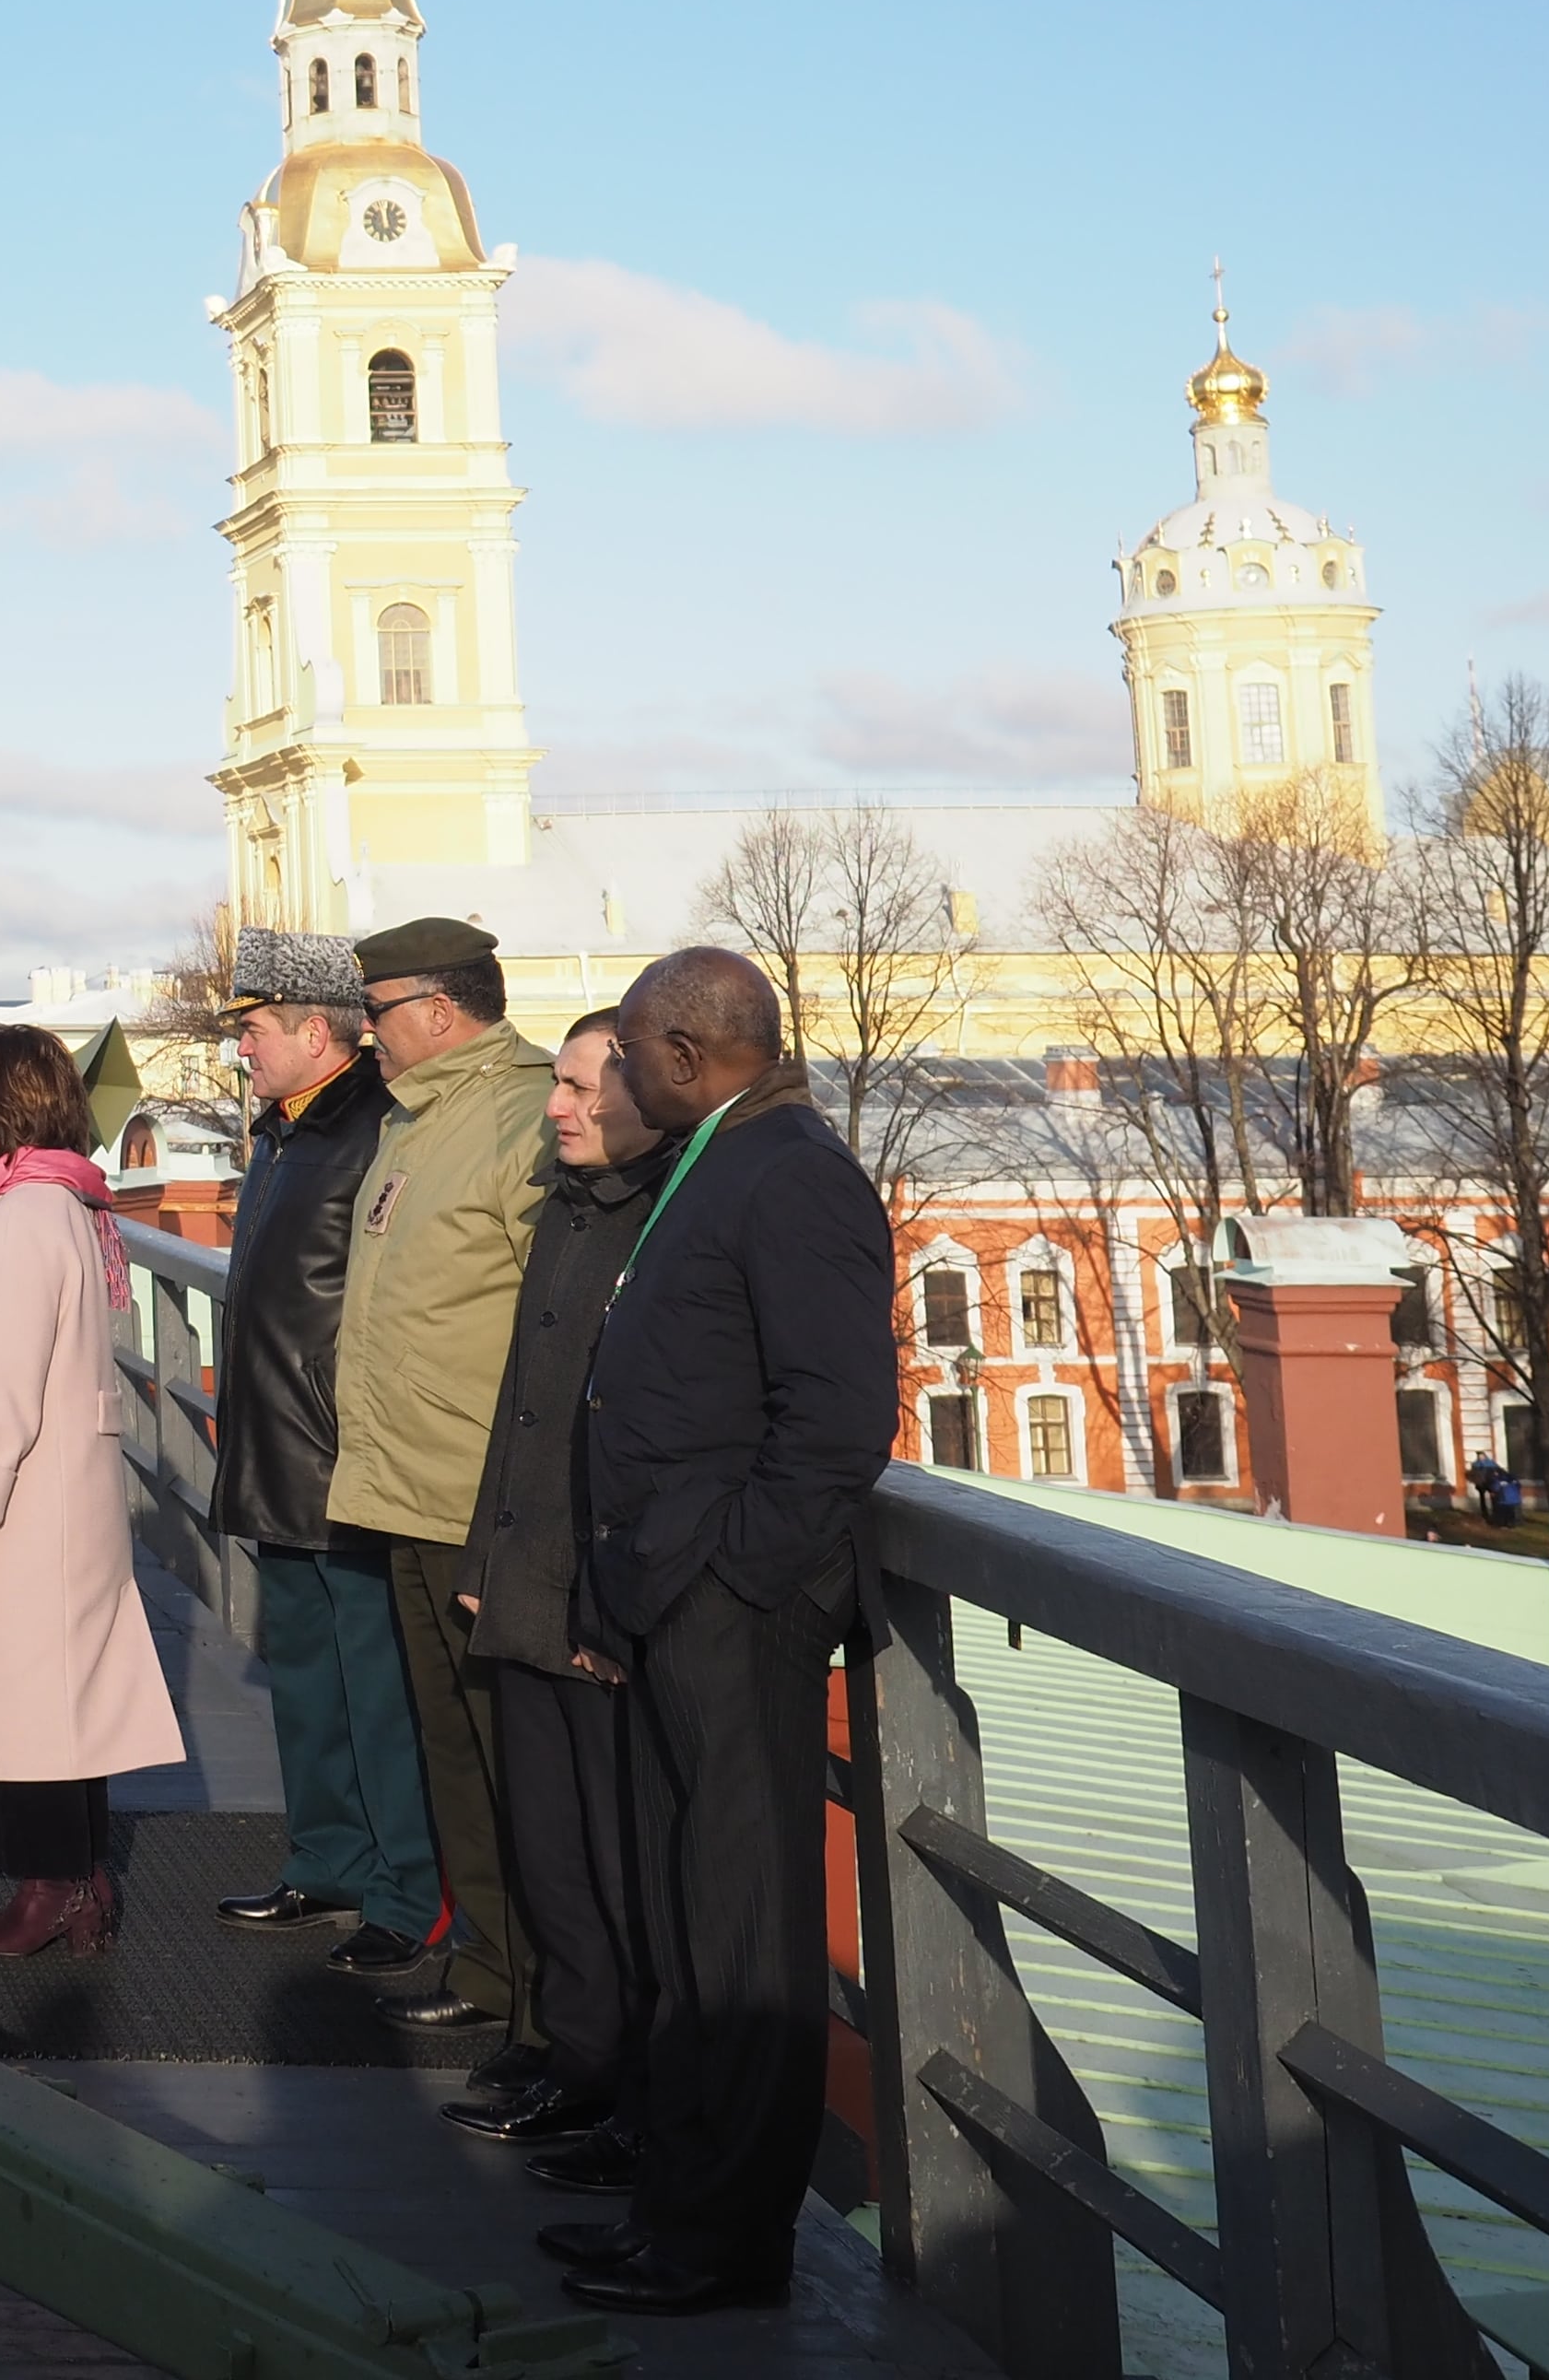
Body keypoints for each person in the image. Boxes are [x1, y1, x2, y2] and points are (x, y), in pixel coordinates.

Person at [549, 946, 895, 2319]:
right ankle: (676, 2212)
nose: (619, 1075)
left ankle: (727, 2244)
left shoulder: (791, 1172)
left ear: (688, 1056)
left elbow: (834, 1419)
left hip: (727, 1613)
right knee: (689, 1921)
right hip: (664, 1596)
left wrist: (734, 1581)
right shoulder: (721, 1157)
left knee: (743, 1937)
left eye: (630, 1054)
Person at [323, 915, 557, 2041]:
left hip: (477, 1499)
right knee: (455, 1754)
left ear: (437, 1010)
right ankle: (492, 1977)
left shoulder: (520, 1115)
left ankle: (546, 2002)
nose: (365, 1038)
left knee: (514, 1763)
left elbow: (550, 1326)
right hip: (408, 1490)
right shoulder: (421, 1122)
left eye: (374, 1014)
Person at [440, 1009, 663, 2166]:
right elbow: (520, 1415)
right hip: (526, 1586)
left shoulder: (656, 1228)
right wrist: (485, 1565)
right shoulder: (571, 1213)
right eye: (558, 1084)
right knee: (550, 1852)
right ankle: (572, 2062)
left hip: (596, 1605)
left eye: (582, 1088)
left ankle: (618, 2087)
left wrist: (600, 1603)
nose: (558, 1106)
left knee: (612, 1866)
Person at [0, 1021, 186, 1955]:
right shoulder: (51, 1200)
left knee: (24, 1704)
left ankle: (54, 1888)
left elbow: (7, 1379)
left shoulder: (23, 1216)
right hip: (50, 1494)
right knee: (48, 1698)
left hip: (21, 1503)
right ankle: (77, 1882)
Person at [198, 928, 440, 1974]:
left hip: (348, 1459)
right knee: (305, 1679)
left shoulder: (378, 1131)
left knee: (378, 1690)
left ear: (312, 1029)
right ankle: (329, 1862)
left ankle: (407, 1892)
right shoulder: (287, 1131)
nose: (240, 1048)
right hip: (278, 1450)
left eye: (252, 1028)